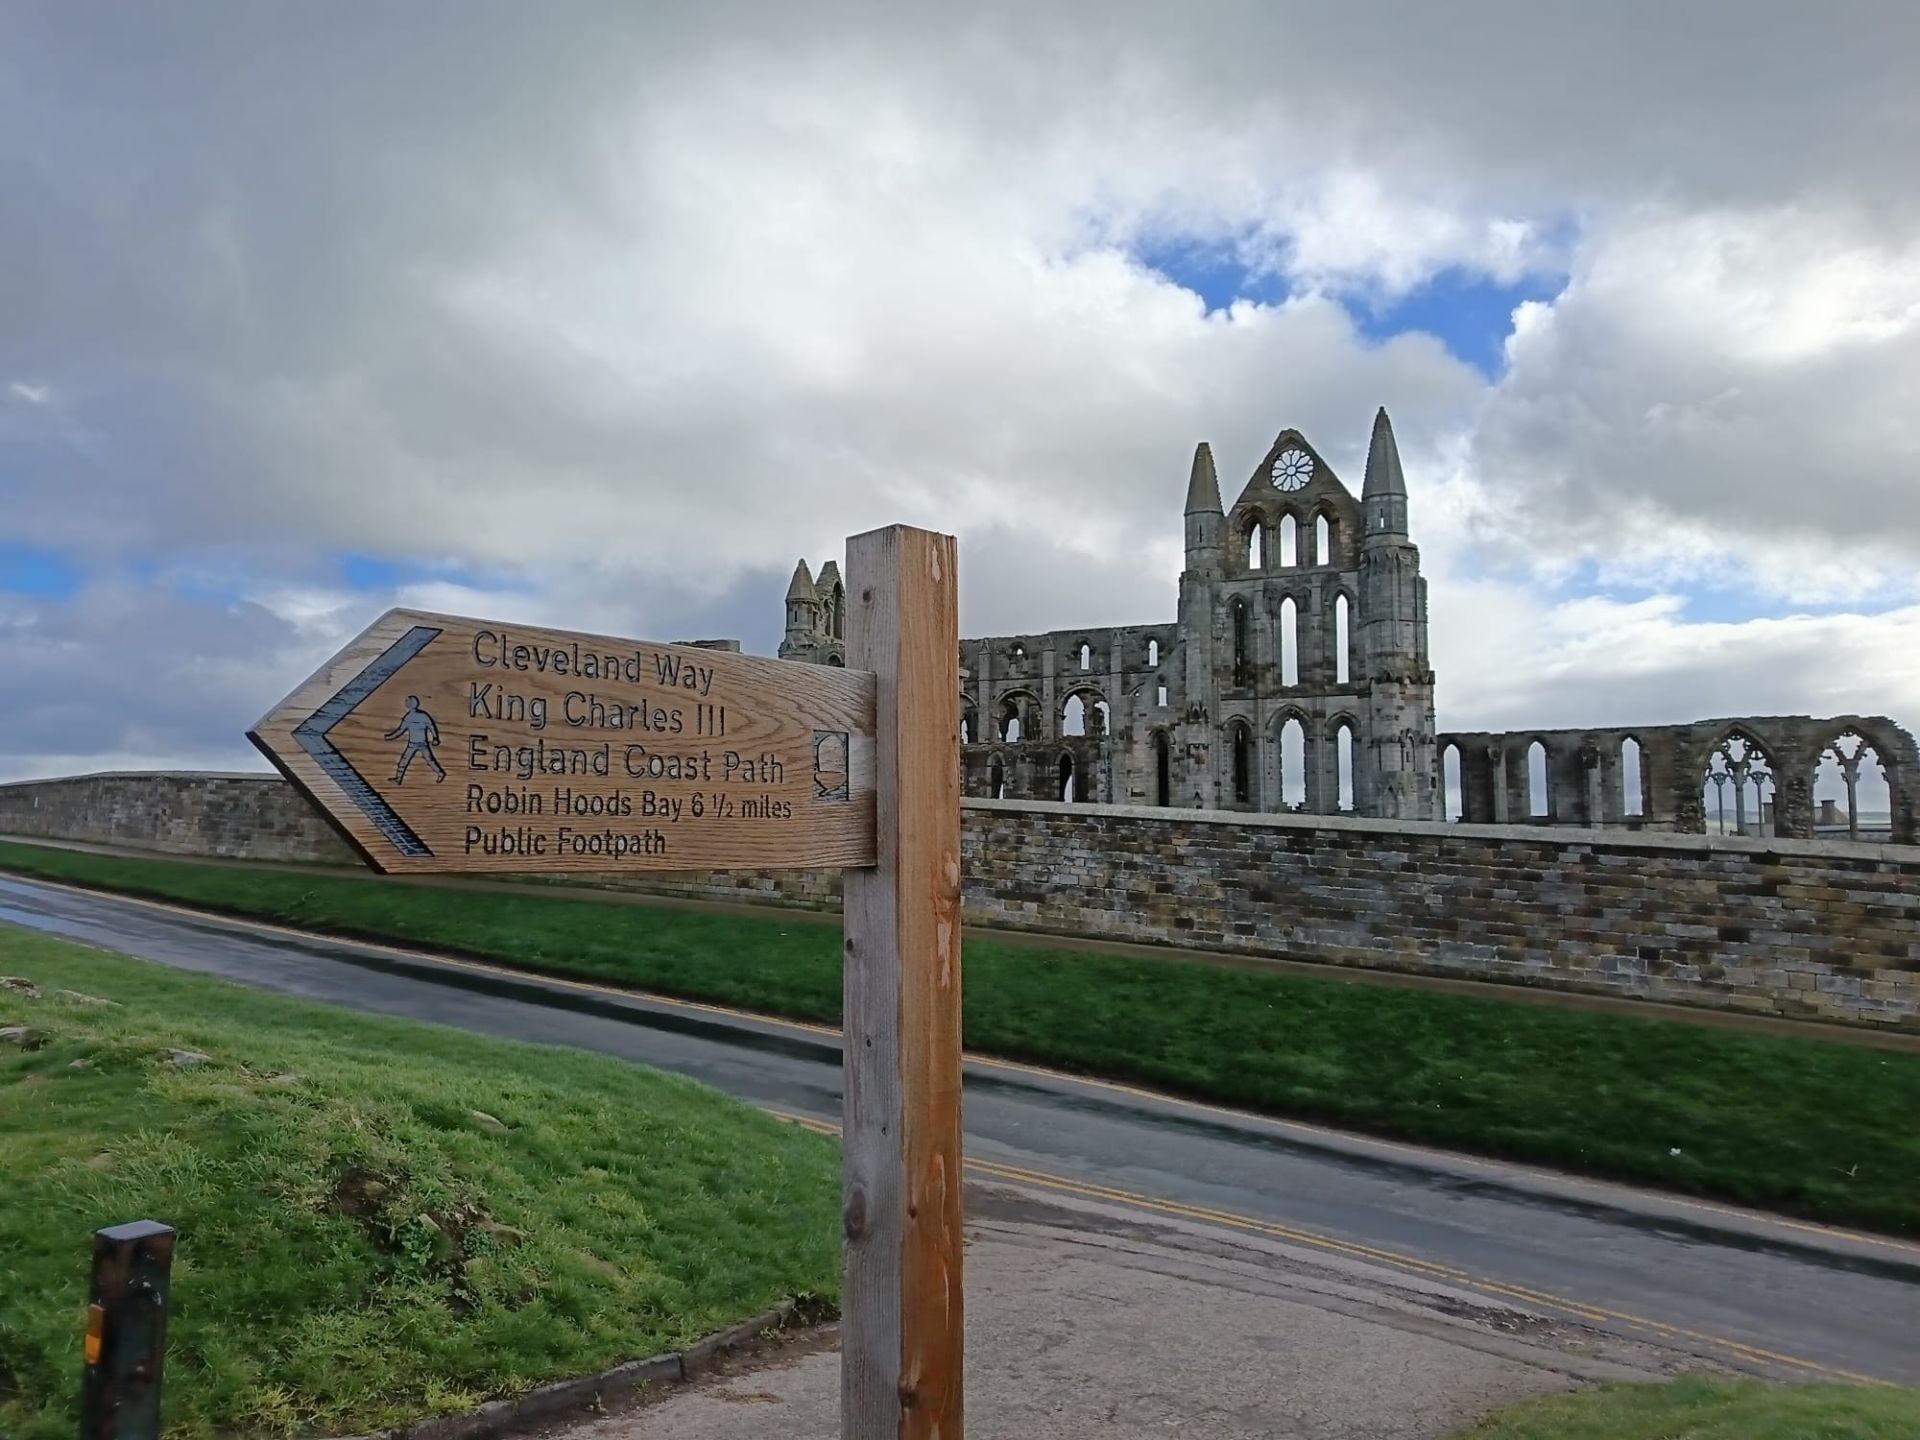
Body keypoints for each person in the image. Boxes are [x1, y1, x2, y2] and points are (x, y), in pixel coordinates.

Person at [385, 696, 445, 785]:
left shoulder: (413, 717)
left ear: (410, 704)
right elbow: (400, 730)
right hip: (413, 744)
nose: (405, 702)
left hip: (420, 743)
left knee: (428, 760)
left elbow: (431, 727)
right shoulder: (412, 716)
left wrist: (435, 738)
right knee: (406, 760)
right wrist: (390, 737)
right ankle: (398, 779)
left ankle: (440, 773)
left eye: (407, 701)